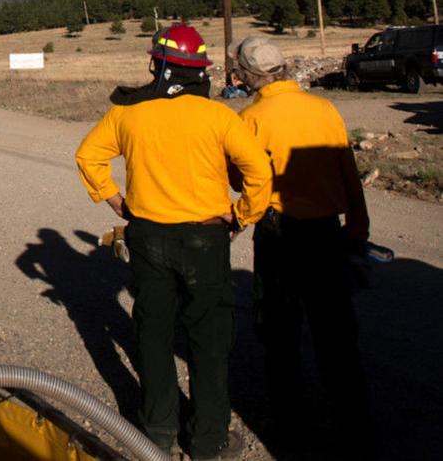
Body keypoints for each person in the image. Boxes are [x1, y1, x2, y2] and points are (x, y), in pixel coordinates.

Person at [75, 25, 272, 460]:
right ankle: (208, 441)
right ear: (199, 70)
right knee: (210, 338)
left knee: (153, 333)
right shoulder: (221, 116)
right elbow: (260, 173)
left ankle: (157, 430)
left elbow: (88, 155)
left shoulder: (127, 113)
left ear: (158, 64)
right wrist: (241, 216)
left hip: (148, 237)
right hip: (206, 238)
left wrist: (116, 202)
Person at [232, 36, 372, 457]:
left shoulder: (250, 119)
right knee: (336, 335)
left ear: (246, 75)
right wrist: (358, 227)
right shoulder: (323, 109)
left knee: (280, 335)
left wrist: (238, 218)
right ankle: (356, 429)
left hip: (279, 238)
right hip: (328, 235)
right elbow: (347, 170)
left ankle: (292, 434)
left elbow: (244, 182)